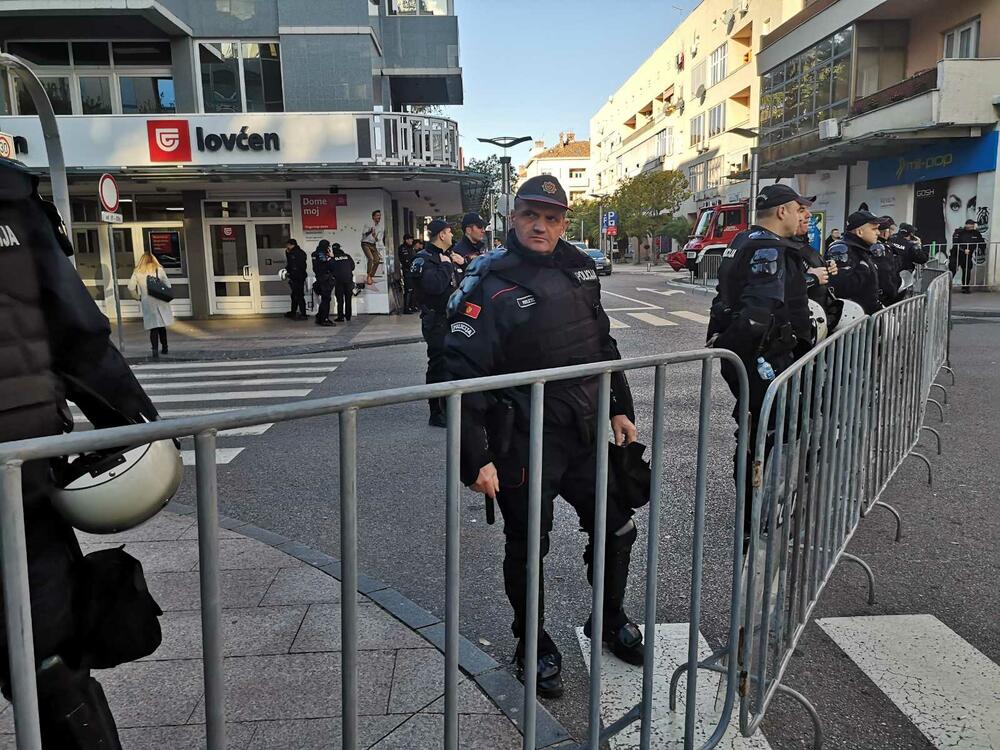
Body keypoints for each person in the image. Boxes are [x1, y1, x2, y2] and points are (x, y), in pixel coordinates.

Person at [445, 176, 644, 699]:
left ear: (563, 222)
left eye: (553, 217)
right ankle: (531, 643)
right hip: (525, 438)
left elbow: (602, 342)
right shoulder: (489, 281)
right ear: (513, 217)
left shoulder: (579, 266)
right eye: (532, 215)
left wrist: (620, 407)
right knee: (529, 543)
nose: (542, 225)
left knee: (618, 526)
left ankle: (610, 618)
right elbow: (459, 373)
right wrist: (476, 459)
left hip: (583, 430)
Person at [1, 156, 160, 748]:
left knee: (48, 653)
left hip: (20, 476)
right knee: (48, 655)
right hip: (18, 474)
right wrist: (139, 435)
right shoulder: (9, 196)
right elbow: (77, 334)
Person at [708, 184, 818, 537]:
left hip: (757, 356)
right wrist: (746, 353)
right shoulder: (767, 247)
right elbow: (757, 313)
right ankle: (751, 519)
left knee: (770, 429)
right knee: (762, 434)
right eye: (798, 209)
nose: (803, 215)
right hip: (763, 358)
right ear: (782, 211)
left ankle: (760, 509)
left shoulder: (744, 240)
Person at [411, 219, 463, 427]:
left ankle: (449, 407)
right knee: (438, 366)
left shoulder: (446, 256)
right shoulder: (425, 259)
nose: (452, 236)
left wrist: (459, 263)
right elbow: (434, 287)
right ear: (441, 235)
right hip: (436, 320)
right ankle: (437, 412)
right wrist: (447, 266)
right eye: (449, 232)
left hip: (452, 319)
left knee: (452, 364)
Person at [825, 211, 883, 314]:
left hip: (867, 316)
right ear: (859, 232)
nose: (878, 232)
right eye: (874, 229)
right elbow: (840, 288)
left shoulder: (862, 249)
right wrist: (863, 269)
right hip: (853, 320)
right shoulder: (841, 249)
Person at [128, 251, 173, 359]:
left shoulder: (137, 271)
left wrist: (137, 297)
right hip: (160, 300)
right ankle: (165, 348)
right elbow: (168, 284)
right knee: (162, 326)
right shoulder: (159, 269)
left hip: (147, 302)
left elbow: (130, 287)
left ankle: (154, 350)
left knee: (153, 327)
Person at [887, 222, 928, 297]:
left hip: (887, 275)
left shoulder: (889, 239)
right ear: (911, 235)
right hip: (902, 278)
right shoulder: (910, 245)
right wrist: (919, 245)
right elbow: (923, 259)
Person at [870, 216, 902, 307]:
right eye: (890, 230)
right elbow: (885, 271)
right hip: (883, 295)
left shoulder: (888, 245)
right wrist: (892, 293)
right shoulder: (880, 247)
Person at [950, 218, 986, 294]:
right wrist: (963, 250)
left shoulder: (976, 233)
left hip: (967, 256)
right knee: (952, 270)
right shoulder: (959, 232)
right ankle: (946, 286)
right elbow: (955, 243)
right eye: (971, 224)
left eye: (973, 224)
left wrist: (981, 249)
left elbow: (982, 242)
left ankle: (965, 287)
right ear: (966, 225)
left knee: (967, 271)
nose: (973, 226)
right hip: (956, 255)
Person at [311, 239, 336, 327]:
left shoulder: (314, 254)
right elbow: (331, 265)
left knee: (324, 300)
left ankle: (319, 317)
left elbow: (315, 268)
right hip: (326, 280)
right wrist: (331, 257)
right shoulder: (323, 254)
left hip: (319, 279)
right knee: (326, 300)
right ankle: (324, 319)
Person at [330, 243, 356, 322]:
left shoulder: (333, 258)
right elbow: (353, 267)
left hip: (339, 281)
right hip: (348, 280)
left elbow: (330, 269)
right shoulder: (347, 256)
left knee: (340, 300)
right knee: (348, 299)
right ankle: (348, 316)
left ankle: (340, 317)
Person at [283, 238, 308, 320]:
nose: (287, 246)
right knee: (295, 295)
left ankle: (303, 314)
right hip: (300, 276)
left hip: (296, 277)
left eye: (287, 245)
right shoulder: (301, 252)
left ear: (290, 244)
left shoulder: (293, 253)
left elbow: (291, 264)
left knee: (299, 295)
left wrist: (289, 273)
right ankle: (294, 312)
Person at [361, 209, 386, 286]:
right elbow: (363, 235)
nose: (379, 217)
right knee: (371, 258)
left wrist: (374, 236)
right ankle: (368, 276)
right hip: (365, 243)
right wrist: (370, 232)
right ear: (373, 217)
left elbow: (378, 239)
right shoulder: (368, 224)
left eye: (380, 215)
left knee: (377, 260)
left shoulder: (380, 227)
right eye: (377, 215)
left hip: (373, 244)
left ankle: (371, 276)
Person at [397, 234, 418, 313]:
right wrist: (411, 267)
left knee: (413, 290)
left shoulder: (411, 248)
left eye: (412, 239)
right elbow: (405, 261)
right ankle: (406, 308)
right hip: (407, 271)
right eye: (410, 239)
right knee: (408, 290)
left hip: (413, 272)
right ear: (406, 240)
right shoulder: (402, 248)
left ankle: (412, 306)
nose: (411, 241)